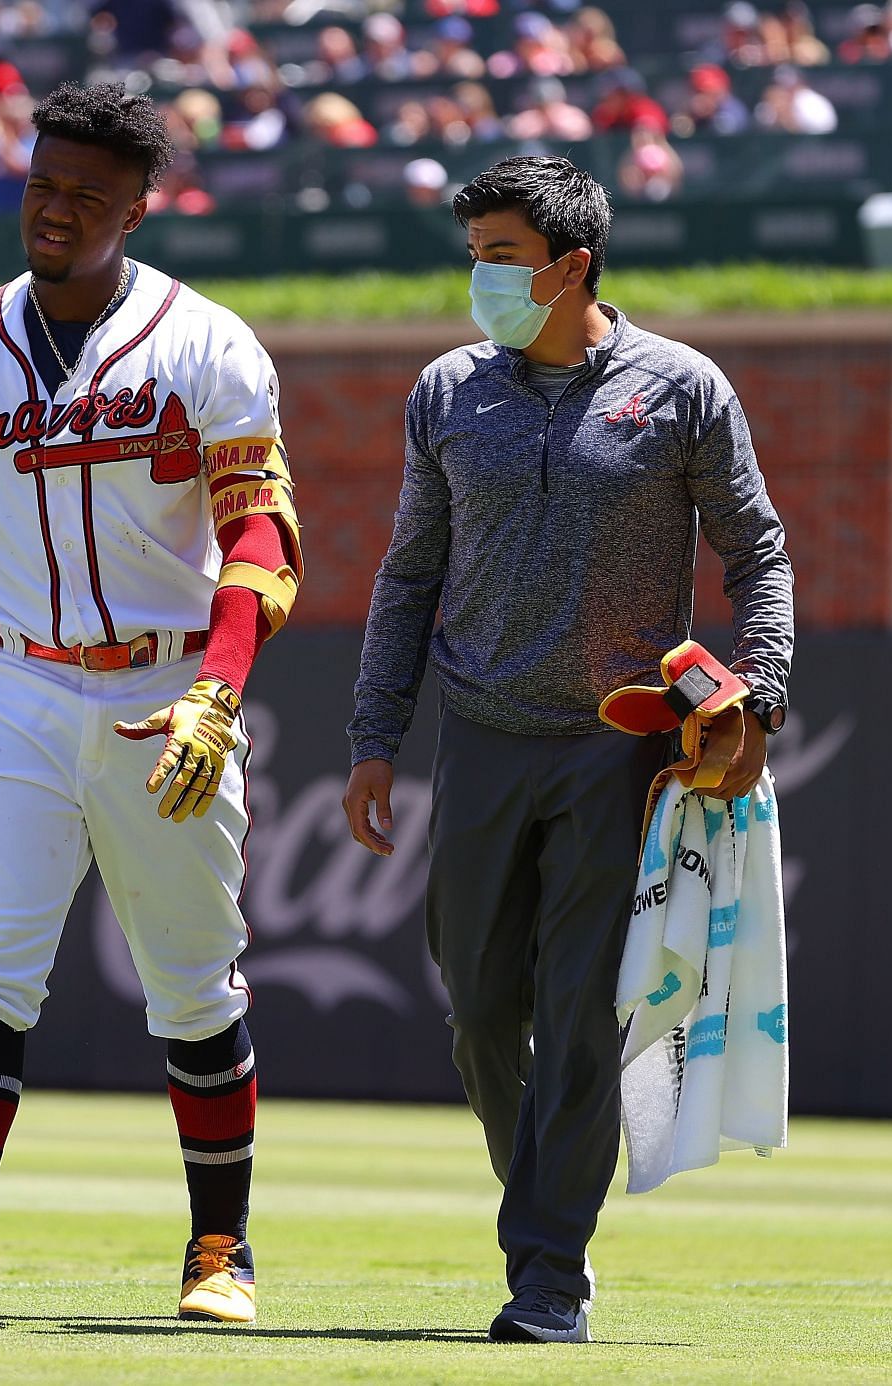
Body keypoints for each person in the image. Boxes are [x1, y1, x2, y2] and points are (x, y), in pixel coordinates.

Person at [0, 81, 302, 1327]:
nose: (56, 211)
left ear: (139, 208)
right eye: (44, 184)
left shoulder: (206, 341)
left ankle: (221, 1252)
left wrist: (218, 693)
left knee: (193, 985)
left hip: (164, 685)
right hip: (8, 683)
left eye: (88, 197)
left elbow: (260, 539)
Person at [341, 156, 793, 1344]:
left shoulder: (682, 387)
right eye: (475, 254)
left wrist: (763, 691)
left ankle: (546, 1272)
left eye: (500, 257)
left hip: (620, 753)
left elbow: (760, 553)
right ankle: (545, 1205)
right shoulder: (447, 389)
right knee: (480, 1006)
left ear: (572, 266)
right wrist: (373, 735)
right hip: (479, 735)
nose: (480, 278)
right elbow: (410, 572)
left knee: (585, 1010)